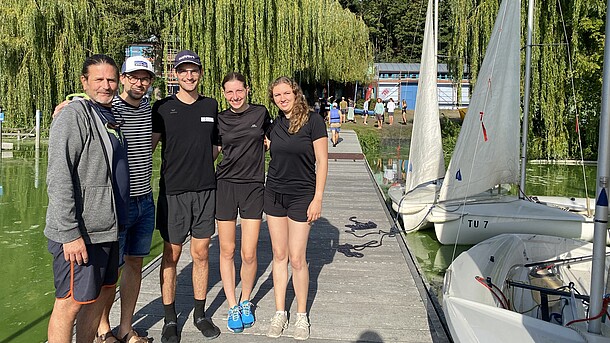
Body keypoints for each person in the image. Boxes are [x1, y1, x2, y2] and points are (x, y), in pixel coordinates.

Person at [45, 54, 129, 343]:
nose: (106, 85)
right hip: (80, 233)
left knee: (98, 297)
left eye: (111, 80)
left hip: (109, 228)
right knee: (70, 303)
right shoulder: (73, 115)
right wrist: (69, 233)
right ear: (84, 82)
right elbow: (58, 176)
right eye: (99, 79)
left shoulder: (111, 116)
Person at [152, 50, 221, 342]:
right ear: (175, 75)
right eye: (183, 71)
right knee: (172, 255)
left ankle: (200, 314)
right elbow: (148, 146)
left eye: (193, 71)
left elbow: (216, 145)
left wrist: (201, 164)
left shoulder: (211, 105)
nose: (189, 76)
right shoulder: (162, 107)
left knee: (201, 254)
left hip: (205, 190)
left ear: (200, 73)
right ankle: (170, 319)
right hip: (173, 192)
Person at [94, 56, 156, 343]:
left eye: (145, 78)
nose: (139, 82)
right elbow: (85, 106)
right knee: (111, 270)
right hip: (117, 204)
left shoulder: (148, 109)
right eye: (133, 76)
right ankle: (103, 328)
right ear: (123, 78)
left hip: (145, 200)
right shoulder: (107, 109)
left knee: (134, 264)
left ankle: (126, 328)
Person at [264, 76, 328, 340]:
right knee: (279, 256)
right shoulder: (274, 125)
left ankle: (301, 315)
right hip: (274, 194)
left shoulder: (314, 122)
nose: (282, 99)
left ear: (295, 93)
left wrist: (318, 198)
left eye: (286, 93)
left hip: (302, 196)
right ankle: (280, 312)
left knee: (297, 258)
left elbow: (322, 162)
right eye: (277, 96)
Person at [216, 72, 272, 333]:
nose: (235, 96)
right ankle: (232, 304)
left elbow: (276, 138)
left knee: (248, 253)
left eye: (239, 91)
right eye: (229, 92)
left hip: (252, 187)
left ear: (247, 90)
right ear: (224, 93)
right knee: (227, 251)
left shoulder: (261, 114)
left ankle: (246, 300)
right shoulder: (220, 119)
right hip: (225, 186)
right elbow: (213, 150)